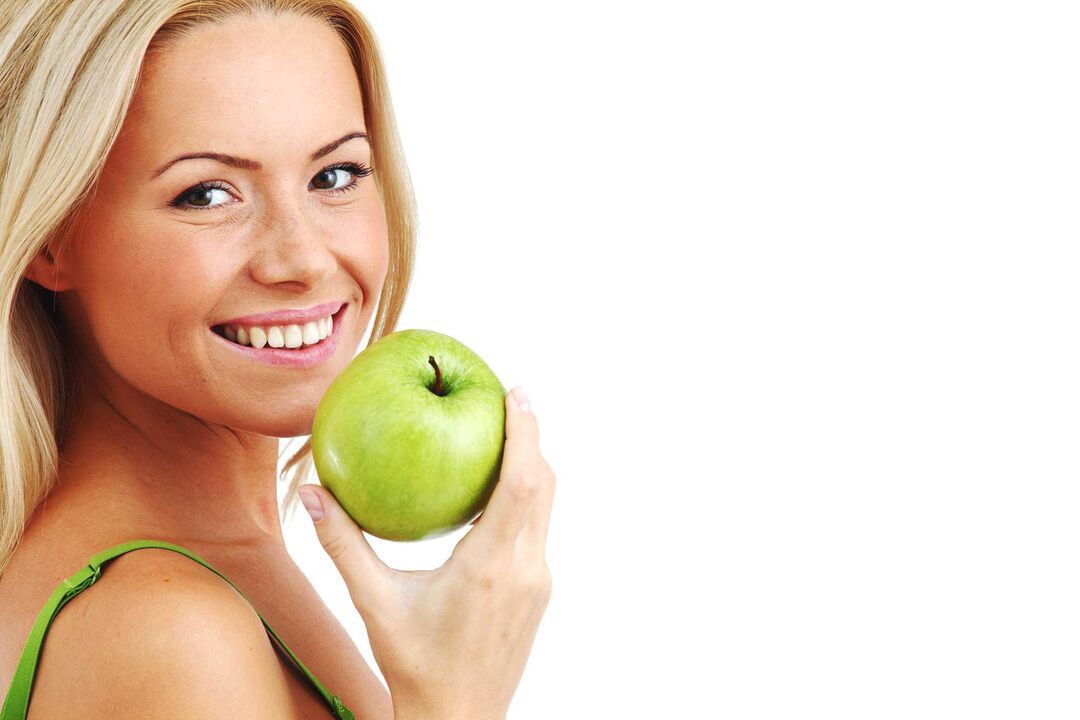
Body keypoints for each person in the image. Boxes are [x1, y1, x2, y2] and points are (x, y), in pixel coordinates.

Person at [0, 2, 555, 719]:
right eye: (206, 193)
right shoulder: (170, 634)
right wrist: (455, 700)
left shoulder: (197, 565)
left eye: (335, 176)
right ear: (50, 237)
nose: (302, 258)